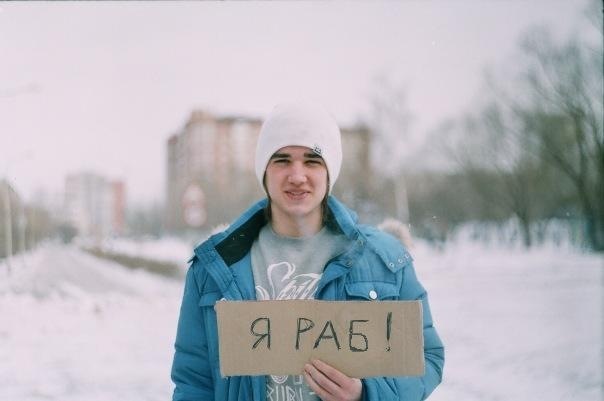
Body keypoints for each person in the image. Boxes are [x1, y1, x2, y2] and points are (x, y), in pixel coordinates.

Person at [171, 101, 444, 401]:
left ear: (329, 172)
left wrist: (366, 394)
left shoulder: (384, 259)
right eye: (282, 160)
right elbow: (193, 383)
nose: (297, 176)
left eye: (312, 160)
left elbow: (426, 359)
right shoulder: (216, 265)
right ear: (265, 171)